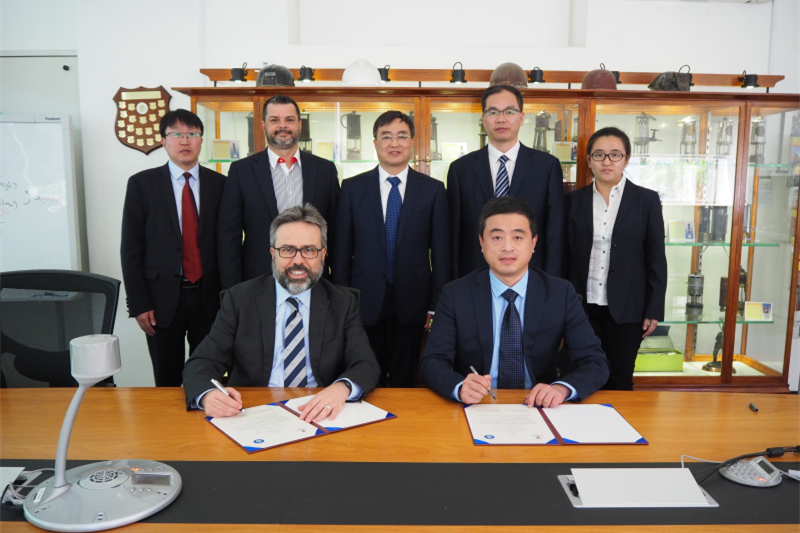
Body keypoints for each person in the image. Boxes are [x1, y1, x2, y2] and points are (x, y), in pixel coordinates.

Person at [183, 204, 380, 422]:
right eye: (287, 249)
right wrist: (208, 396)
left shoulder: (342, 302)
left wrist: (341, 389)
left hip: (319, 413)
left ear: (323, 255)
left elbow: (366, 364)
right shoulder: (239, 299)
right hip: (252, 412)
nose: (298, 260)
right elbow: (200, 363)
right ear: (273, 253)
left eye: (309, 250)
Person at [419, 197, 609, 407]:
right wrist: (460, 387)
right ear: (482, 243)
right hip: (477, 406)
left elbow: (595, 361)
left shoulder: (560, 293)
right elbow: (432, 361)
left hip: (539, 405)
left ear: (533, 243)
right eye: (497, 237)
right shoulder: (456, 294)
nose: (507, 247)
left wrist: (561, 389)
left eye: (517, 237)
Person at [332, 111, 450, 387]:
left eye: (401, 136)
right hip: (362, 299)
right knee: (365, 375)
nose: (394, 143)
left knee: (405, 378)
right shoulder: (352, 188)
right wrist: (342, 301)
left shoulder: (433, 190)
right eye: (386, 136)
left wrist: (436, 305)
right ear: (375, 143)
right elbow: (341, 252)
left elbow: (442, 254)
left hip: (414, 299)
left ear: (412, 142)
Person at [120, 109, 226, 386]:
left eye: (192, 134)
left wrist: (231, 299)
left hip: (210, 298)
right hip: (161, 301)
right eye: (176, 134)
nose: (185, 140)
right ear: (163, 141)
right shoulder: (142, 184)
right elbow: (131, 249)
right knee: (166, 380)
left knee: (210, 377)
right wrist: (139, 304)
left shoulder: (221, 185)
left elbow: (229, 244)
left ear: (201, 140)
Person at [565, 126, 667, 391]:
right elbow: (563, 255)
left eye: (615, 154)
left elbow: (656, 258)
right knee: (579, 375)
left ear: (626, 159)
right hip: (580, 307)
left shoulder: (646, 200)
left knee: (619, 379)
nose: (607, 161)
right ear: (589, 160)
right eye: (599, 154)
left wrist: (654, 309)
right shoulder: (572, 201)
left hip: (627, 308)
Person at [217, 94, 339, 290]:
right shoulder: (242, 171)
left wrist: (335, 286)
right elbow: (228, 235)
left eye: (289, 119)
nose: (283, 126)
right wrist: (233, 291)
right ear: (264, 126)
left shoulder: (325, 170)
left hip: (314, 279)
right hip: (257, 280)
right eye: (274, 120)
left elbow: (335, 232)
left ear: (299, 125)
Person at [447, 84, 564, 279]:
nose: (501, 119)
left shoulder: (546, 166)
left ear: (521, 117)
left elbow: (555, 233)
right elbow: (454, 236)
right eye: (493, 112)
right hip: (474, 276)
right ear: (483, 119)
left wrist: (551, 284)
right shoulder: (461, 169)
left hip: (532, 275)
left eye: (509, 111)